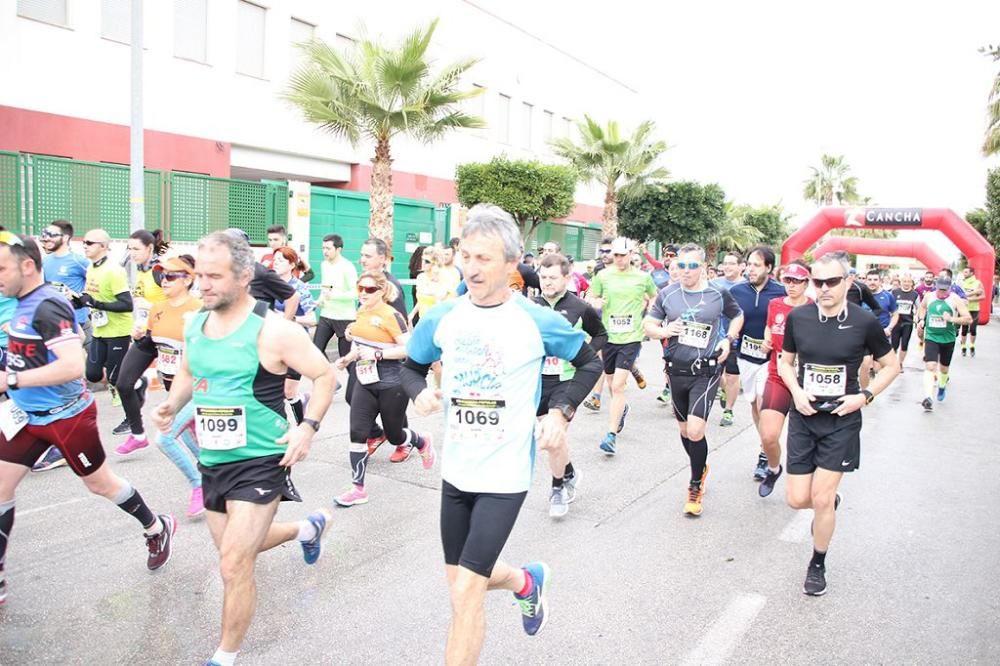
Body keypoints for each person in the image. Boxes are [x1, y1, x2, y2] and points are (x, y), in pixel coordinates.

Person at [400, 204, 601, 664]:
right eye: (466, 256)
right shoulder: (443, 316)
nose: (471, 267)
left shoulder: (536, 319)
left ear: (513, 264)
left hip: (505, 475)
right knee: (462, 581)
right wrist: (419, 393)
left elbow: (590, 361)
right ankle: (525, 582)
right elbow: (410, 367)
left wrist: (560, 411)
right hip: (457, 471)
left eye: (484, 259)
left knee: (466, 592)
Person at [152, 230, 336, 666]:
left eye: (215, 276)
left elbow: (325, 375)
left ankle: (225, 656)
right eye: (201, 275)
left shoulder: (274, 331)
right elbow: (188, 372)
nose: (203, 284)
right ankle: (305, 529)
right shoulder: (195, 323)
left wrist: (307, 428)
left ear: (244, 276)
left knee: (234, 563)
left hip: (260, 461)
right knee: (236, 548)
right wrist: (171, 404)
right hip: (212, 459)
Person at [0, 232, 175, 606]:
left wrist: (11, 378)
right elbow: (73, 333)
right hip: (25, 416)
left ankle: (156, 526)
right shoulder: (25, 302)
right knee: (0, 488)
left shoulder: (46, 304)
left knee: (101, 485)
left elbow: (73, 364)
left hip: (67, 419)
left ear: (27, 266)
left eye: (2, 268)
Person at [779, 253, 899, 596]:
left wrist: (864, 396)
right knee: (796, 499)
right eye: (818, 282)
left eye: (833, 281)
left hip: (842, 420)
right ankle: (827, 503)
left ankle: (817, 562)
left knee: (821, 497)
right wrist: (796, 390)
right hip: (805, 416)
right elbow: (785, 363)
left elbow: (890, 366)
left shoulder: (864, 322)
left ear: (848, 282)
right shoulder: (799, 318)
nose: (825, 288)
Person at [644, 243, 743, 516]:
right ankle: (700, 466)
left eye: (691, 266)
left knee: (696, 431)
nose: (685, 271)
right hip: (676, 370)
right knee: (685, 431)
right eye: (681, 266)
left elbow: (737, 315)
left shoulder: (718, 293)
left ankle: (695, 484)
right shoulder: (667, 294)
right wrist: (664, 330)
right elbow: (648, 326)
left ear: (702, 266)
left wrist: (728, 339)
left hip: (706, 370)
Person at [333, 270, 435, 506]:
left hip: (392, 383)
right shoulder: (360, 312)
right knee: (357, 432)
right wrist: (347, 359)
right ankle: (358, 488)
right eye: (360, 288)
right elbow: (360, 345)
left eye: (370, 289)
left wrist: (379, 354)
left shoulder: (392, 315)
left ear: (382, 291)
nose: (364, 293)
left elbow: (410, 350)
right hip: (365, 381)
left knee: (395, 434)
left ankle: (420, 441)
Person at [534, 253, 607, 517]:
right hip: (538, 381)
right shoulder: (533, 306)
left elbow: (601, 334)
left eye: (553, 278)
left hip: (567, 380)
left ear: (567, 277)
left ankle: (557, 489)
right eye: (543, 277)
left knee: (554, 435)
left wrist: (585, 351)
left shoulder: (580, 307)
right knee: (550, 437)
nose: (547, 283)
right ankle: (570, 472)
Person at [587, 238, 657, 456]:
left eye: (622, 255)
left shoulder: (643, 277)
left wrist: (649, 318)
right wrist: (596, 302)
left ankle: (610, 436)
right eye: (615, 255)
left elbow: (654, 297)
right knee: (611, 384)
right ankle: (621, 409)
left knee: (617, 386)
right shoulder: (603, 275)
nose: (618, 259)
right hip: (609, 336)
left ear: (630, 254)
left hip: (631, 337)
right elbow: (591, 295)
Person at [34, 219, 91, 472]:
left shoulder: (79, 261)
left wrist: (80, 302)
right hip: (48, 328)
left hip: (75, 326)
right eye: (43, 234)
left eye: (50, 234)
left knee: (72, 381)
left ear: (65, 237)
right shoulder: (44, 264)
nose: (45, 238)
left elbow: (94, 288)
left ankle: (68, 441)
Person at [729, 246, 786, 480]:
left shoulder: (780, 292)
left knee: (764, 403)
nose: (750, 269)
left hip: (770, 360)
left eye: (756, 265)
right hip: (745, 357)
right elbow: (729, 317)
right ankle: (765, 443)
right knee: (754, 405)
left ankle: (765, 453)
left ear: (769, 268)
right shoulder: (737, 290)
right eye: (749, 264)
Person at [757, 261, 813, 498]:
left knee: (808, 440)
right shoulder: (775, 304)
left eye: (796, 281)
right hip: (778, 373)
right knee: (768, 435)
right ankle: (773, 468)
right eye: (787, 280)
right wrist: (766, 340)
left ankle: (813, 485)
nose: (791, 286)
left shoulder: (814, 308)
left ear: (806, 283)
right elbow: (770, 327)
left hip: (807, 378)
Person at [73, 229, 134, 435]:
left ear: (103, 246)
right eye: (84, 242)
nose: (85, 245)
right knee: (92, 373)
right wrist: (79, 300)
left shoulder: (114, 271)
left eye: (90, 243)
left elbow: (127, 304)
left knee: (118, 379)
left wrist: (97, 303)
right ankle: (128, 382)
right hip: (100, 329)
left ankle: (131, 419)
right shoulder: (91, 267)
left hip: (118, 331)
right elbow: (90, 295)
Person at [114, 229, 170, 451]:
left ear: (149, 248)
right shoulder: (140, 270)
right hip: (146, 335)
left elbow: (179, 300)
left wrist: (154, 308)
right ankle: (138, 435)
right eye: (130, 248)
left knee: (177, 394)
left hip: (168, 338)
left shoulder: (160, 271)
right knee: (123, 382)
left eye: (136, 248)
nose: (132, 252)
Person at [357, 237, 408, 457]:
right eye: (361, 255)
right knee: (352, 397)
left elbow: (401, 325)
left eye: (367, 256)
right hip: (363, 357)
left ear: (382, 258)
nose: (362, 260)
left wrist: (381, 353)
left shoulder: (390, 286)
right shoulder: (365, 280)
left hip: (387, 360)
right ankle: (377, 433)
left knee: (392, 410)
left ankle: (402, 440)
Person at [272, 247, 318, 425]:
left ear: (292, 264)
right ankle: (279, 430)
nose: (276, 263)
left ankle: (302, 426)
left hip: (295, 345)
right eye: (274, 259)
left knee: (289, 392)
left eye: (281, 260)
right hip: (272, 344)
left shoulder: (300, 287)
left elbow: (312, 319)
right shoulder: (269, 283)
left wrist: (289, 318)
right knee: (273, 391)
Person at [915, 275, 973, 411]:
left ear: (949, 288)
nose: (942, 292)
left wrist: (952, 319)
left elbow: (968, 319)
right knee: (930, 365)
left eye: (944, 290)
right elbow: (922, 308)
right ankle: (928, 397)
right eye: (939, 289)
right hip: (931, 337)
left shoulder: (955, 299)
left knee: (944, 368)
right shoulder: (929, 296)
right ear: (936, 286)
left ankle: (942, 386)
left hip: (948, 338)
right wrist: (921, 319)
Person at [710, 252, 744, 426]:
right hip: (715, 336)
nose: (727, 267)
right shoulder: (714, 284)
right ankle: (724, 389)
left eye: (732, 263)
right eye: (725, 263)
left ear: (741, 266)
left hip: (736, 338)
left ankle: (728, 410)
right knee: (715, 373)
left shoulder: (747, 287)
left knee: (732, 375)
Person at [313, 233, 358, 362]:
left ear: (338, 249)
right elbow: (326, 287)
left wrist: (334, 296)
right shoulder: (324, 265)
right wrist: (320, 300)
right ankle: (331, 380)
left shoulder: (347, 266)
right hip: (326, 314)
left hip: (344, 317)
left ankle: (355, 382)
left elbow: (355, 293)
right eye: (323, 248)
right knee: (316, 350)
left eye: (328, 248)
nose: (325, 252)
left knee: (346, 357)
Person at [890, 275, 919, 372]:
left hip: (908, 322)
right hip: (896, 322)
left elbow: (919, 307)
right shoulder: (894, 292)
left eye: (908, 282)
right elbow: (889, 305)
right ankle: (893, 363)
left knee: (904, 344)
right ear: (901, 282)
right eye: (904, 281)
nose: (906, 283)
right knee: (894, 344)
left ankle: (900, 363)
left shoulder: (915, 294)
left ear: (911, 283)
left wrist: (917, 318)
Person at [959, 266, 984, 357]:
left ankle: (972, 346)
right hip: (964, 309)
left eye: (966, 272)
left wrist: (970, 299)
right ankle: (963, 347)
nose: (964, 274)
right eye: (963, 272)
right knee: (964, 329)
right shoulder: (961, 283)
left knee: (973, 329)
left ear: (971, 273)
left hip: (974, 309)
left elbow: (983, 296)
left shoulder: (978, 283)